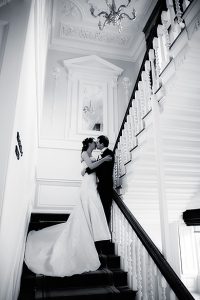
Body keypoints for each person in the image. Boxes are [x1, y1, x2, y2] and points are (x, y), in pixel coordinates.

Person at [24, 137, 112, 277]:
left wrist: (93, 165)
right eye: (94, 142)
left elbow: (86, 170)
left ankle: (89, 235)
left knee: (92, 211)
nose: (96, 144)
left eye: (97, 142)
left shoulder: (94, 156)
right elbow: (91, 166)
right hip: (87, 187)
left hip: (93, 185)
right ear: (89, 143)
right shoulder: (84, 153)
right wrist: (103, 160)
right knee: (87, 209)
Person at [85, 135, 114, 225]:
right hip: (101, 185)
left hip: (106, 185)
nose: (96, 144)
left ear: (102, 143)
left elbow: (102, 168)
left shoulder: (109, 153)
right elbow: (98, 166)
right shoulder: (101, 155)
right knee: (100, 208)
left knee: (106, 209)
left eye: (97, 142)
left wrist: (88, 169)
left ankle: (106, 232)